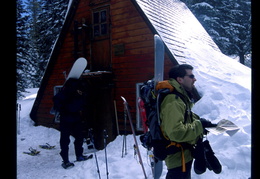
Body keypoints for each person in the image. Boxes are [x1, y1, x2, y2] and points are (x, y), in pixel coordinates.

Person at [160, 64, 214, 179]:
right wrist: (199, 125)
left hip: (184, 157)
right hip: (178, 160)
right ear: (180, 79)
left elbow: (185, 117)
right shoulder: (173, 101)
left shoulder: (180, 98)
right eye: (191, 76)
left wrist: (201, 122)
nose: (195, 79)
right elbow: (176, 132)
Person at [53, 78, 92, 169]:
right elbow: (56, 100)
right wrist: (63, 109)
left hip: (76, 118)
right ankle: (66, 160)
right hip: (66, 119)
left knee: (79, 137)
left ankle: (79, 156)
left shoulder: (80, 94)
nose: (81, 91)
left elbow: (82, 104)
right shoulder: (66, 92)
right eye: (80, 90)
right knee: (65, 140)